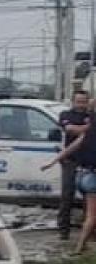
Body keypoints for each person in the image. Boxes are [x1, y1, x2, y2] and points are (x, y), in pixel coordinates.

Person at [43, 108, 96, 255]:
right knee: (92, 216)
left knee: (91, 215)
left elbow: (69, 148)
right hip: (93, 179)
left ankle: (82, 244)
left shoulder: (87, 135)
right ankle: (80, 246)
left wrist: (52, 162)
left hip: (83, 177)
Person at [58, 89, 91, 239]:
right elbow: (70, 130)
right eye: (78, 101)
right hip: (70, 161)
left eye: (84, 102)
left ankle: (88, 232)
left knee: (89, 199)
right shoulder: (65, 115)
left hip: (88, 163)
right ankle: (63, 231)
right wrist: (89, 129)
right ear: (73, 101)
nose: (81, 105)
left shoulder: (91, 115)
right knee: (67, 197)